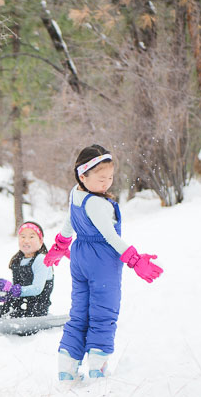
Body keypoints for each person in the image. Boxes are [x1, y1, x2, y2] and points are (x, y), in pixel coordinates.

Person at [44, 144, 163, 381]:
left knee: (79, 313)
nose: (106, 183)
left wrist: (61, 246)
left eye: (110, 177)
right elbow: (111, 237)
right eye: (100, 178)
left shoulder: (76, 193)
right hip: (102, 260)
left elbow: (70, 220)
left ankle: (67, 366)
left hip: (80, 256)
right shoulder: (97, 203)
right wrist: (135, 260)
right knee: (103, 312)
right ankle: (98, 367)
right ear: (82, 174)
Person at [0, 221, 54, 334]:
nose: (26, 240)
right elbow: (18, 290)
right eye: (22, 237)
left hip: (36, 307)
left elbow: (37, 289)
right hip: (19, 304)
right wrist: (6, 295)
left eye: (31, 237)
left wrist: (13, 290)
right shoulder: (17, 261)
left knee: (13, 324)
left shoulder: (41, 259)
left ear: (40, 241)